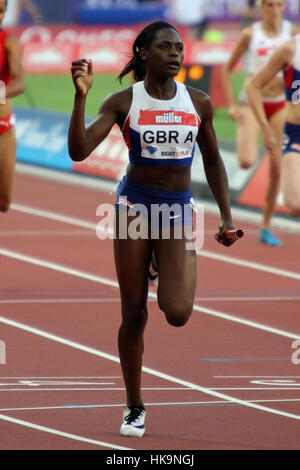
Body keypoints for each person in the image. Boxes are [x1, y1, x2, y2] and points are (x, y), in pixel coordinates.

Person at [68, 21, 238, 437]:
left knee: (177, 312)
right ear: (144, 53)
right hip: (135, 208)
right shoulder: (124, 101)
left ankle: (163, 260)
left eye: (179, 48)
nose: (176, 54)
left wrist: (227, 216)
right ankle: (134, 405)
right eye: (165, 47)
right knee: (134, 311)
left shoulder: (197, 102)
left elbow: (213, 160)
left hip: (178, 208)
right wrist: (80, 98)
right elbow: (78, 150)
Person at [221, 0, 300, 246]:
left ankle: (265, 226)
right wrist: (233, 104)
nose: (274, 10)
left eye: (278, 5)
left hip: (280, 104)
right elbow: (226, 69)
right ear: (261, 8)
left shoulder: (292, 33)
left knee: (276, 168)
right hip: (252, 102)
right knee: (246, 160)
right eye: (269, 5)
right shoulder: (250, 34)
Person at [247, 31, 300, 217]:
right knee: (295, 205)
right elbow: (253, 86)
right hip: (295, 134)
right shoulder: (290, 49)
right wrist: (265, 127)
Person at [0, 0, 25, 212]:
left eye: (2, 11)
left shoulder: (8, 41)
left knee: (4, 202)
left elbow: (19, 83)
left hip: (3, 128)